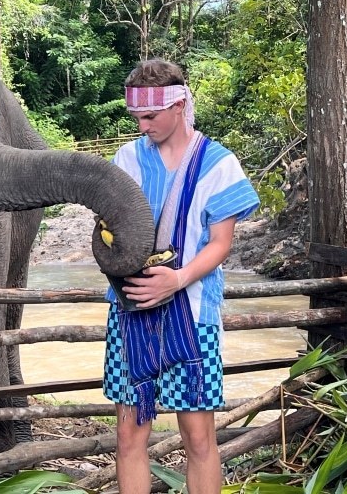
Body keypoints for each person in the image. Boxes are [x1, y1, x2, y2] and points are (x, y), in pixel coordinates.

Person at [101, 58, 260, 493]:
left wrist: (177, 278)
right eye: (136, 116)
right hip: (131, 309)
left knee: (198, 437)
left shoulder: (218, 164)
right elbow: (110, 230)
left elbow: (220, 244)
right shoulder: (127, 158)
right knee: (130, 434)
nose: (143, 125)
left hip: (192, 312)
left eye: (150, 116)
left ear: (180, 105)